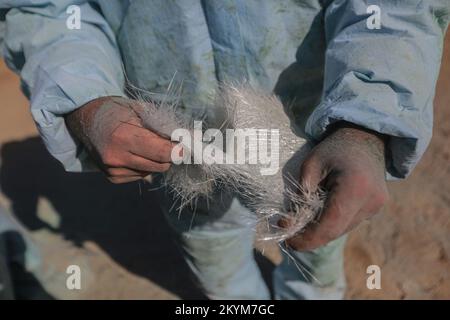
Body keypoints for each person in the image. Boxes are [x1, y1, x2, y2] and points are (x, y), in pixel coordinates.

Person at [0, 0, 448, 299]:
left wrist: (363, 124)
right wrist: (86, 102)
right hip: (175, 153)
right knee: (217, 264)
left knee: (317, 245)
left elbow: (396, 8)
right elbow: (44, 8)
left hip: (311, 144)